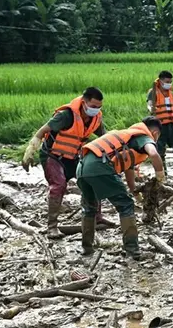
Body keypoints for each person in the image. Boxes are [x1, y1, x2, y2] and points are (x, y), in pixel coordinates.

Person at [21, 88, 113, 239]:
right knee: (58, 185)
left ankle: (97, 217)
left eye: (99, 107)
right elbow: (41, 131)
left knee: (92, 180)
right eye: (93, 106)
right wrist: (30, 151)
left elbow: (104, 137)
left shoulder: (96, 118)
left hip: (74, 156)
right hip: (53, 156)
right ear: (84, 103)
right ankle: (52, 227)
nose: (96, 110)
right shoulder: (66, 116)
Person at [76, 117, 165, 260]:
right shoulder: (143, 136)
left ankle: (87, 248)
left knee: (89, 207)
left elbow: (129, 172)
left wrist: (136, 194)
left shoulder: (126, 140)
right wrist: (160, 177)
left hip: (82, 167)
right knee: (126, 206)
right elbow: (154, 154)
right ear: (154, 133)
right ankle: (133, 251)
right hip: (100, 167)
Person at [146, 70, 173, 179]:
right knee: (160, 152)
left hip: (172, 126)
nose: (169, 83)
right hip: (160, 126)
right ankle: (163, 176)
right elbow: (149, 104)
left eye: (170, 81)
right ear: (160, 80)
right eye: (167, 81)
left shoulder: (170, 93)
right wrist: (151, 109)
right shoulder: (153, 91)